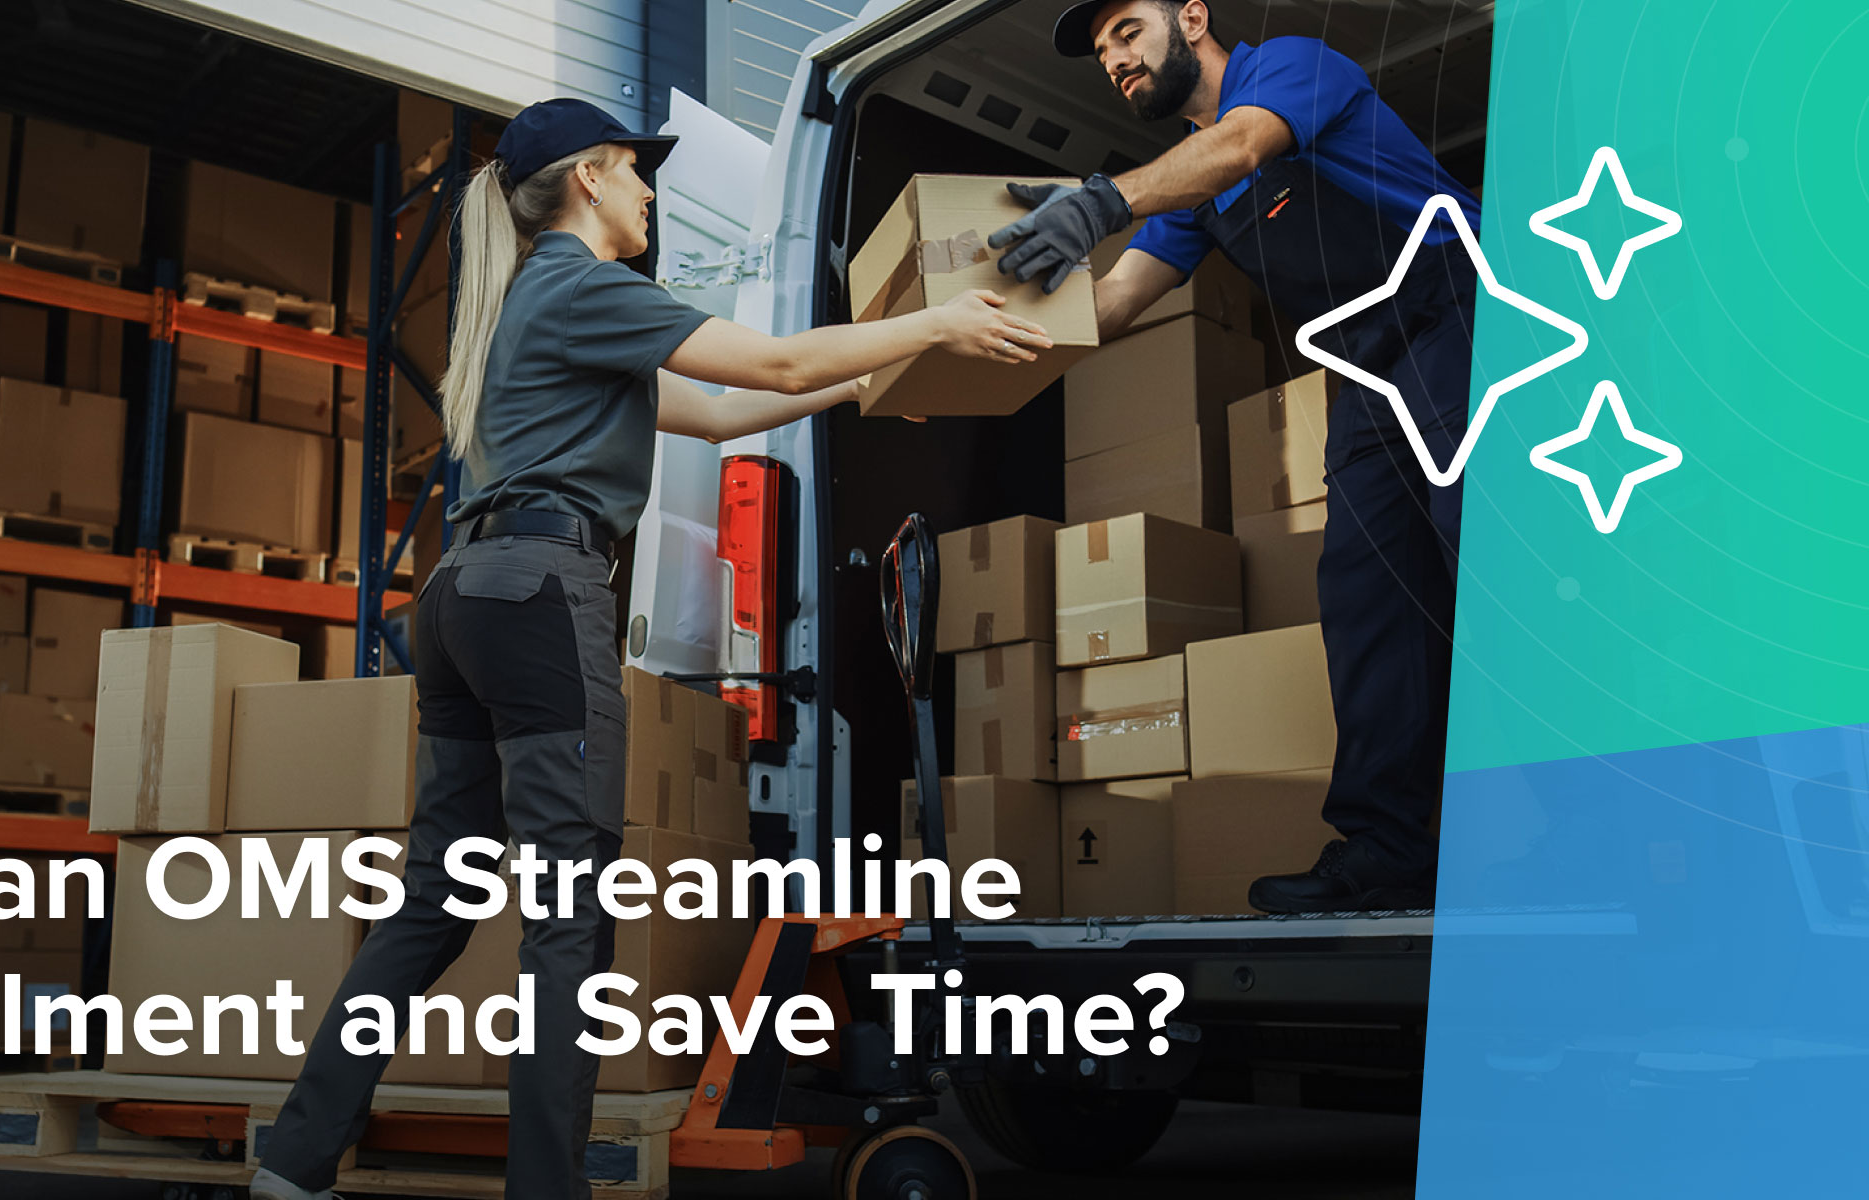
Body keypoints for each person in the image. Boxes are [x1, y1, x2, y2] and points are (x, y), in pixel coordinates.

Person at [250, 97, 1050, 1200]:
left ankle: (293, 1164)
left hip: (464, 596)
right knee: (568, 915)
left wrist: (877, 382)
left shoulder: (543, 302)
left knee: (434, 901)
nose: (649, 193)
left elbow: (722, 413)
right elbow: (766, 366)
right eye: (635, 172)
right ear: (587, 177)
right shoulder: (586, 286)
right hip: (539, 595)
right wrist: (935, 325)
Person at [994, 0, 1477, 913]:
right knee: (1365, 592)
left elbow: (1244, 144)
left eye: (1127, 31)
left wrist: (1100, 200)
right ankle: (1386, 848)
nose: (1115, 59)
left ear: (1192, 16)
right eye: (1101, 53)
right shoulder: (1194, 196)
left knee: (1484, 555)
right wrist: (965, 327)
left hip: (1462, 315)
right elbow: (1114, 304)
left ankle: (1588, 800)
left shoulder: (1285, 71)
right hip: (1371, 376)